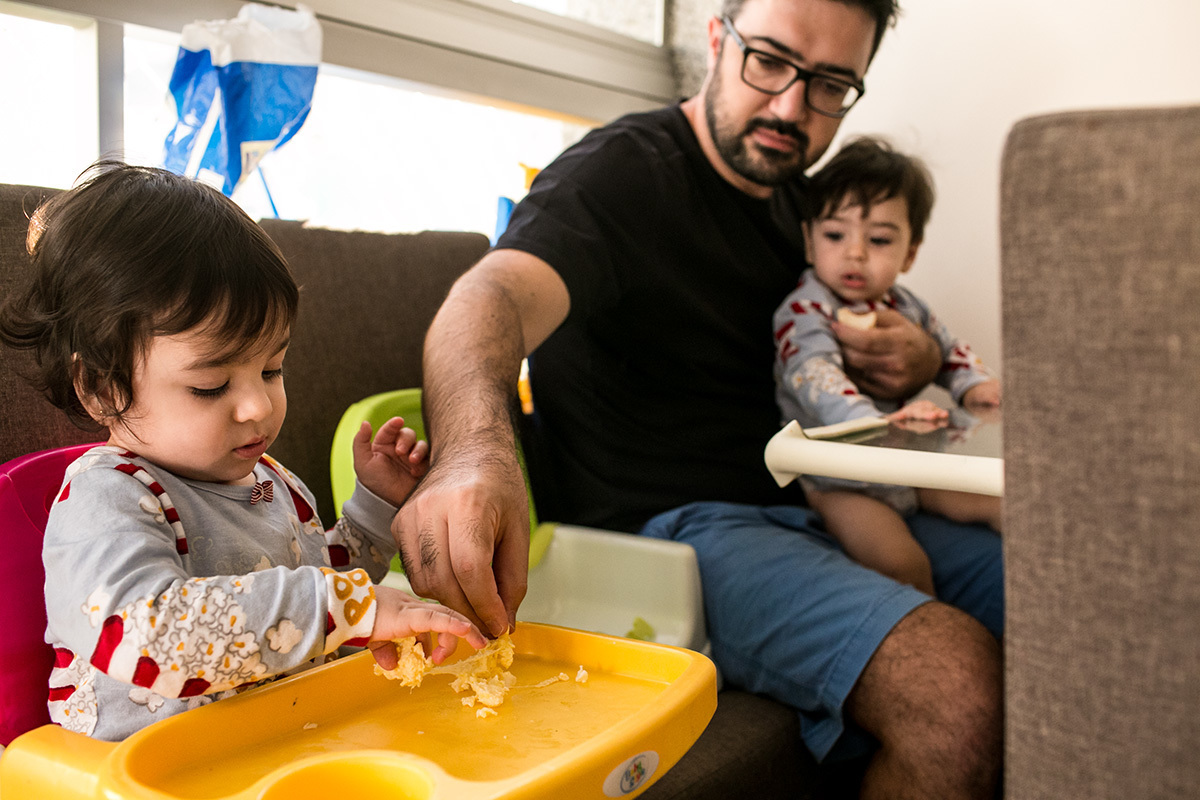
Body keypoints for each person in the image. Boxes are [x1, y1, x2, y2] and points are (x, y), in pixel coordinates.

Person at [397, 0, 1002, 796]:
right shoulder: (620, 176)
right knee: (954, 689)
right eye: (770, 61)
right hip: (677, 534)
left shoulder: (799, 203)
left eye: (828, 85)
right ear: (717, 39)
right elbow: (489, 299)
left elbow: (836, 341)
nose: (791, 106)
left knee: (1068, 584)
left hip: (815, 501)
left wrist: (917, 357)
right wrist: (473, 452)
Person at [0, 162, 486, 741]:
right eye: (211, 386)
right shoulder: (106, 495)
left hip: (275, 739)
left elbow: (317, 587)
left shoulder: (266, 480)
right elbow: (143, 632)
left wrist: (374, 512)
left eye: (271, 368)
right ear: (103, 387)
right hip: (144, 771)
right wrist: (347, 607)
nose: (257, 405)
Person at [773, 135, 1002, 595]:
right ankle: (941, 635)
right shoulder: (803, 312)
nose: (855, 252)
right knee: (903, 564)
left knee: (1003, 502)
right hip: (839, 480)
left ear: (910, 253)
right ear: (809, 241)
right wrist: (873, 423)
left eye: (878, 239)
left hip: (906, 468)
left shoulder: (904, 305)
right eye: (835, 235)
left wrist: (976, 386)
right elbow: (817, 378)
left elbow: (947, 347)